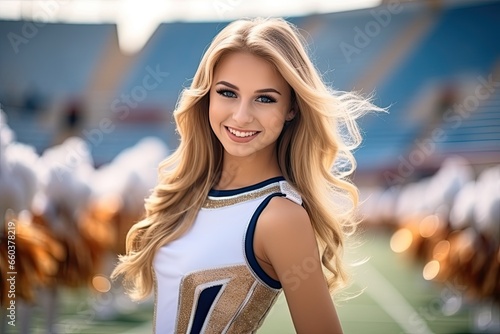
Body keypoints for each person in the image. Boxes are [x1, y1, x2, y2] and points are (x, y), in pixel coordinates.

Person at [112, 17, 382, 333]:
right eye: (227, 93)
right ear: (207, 96)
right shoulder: (189, 193)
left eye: (265, 98)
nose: (241, 116)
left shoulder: (280, 217)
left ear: (291, 108)